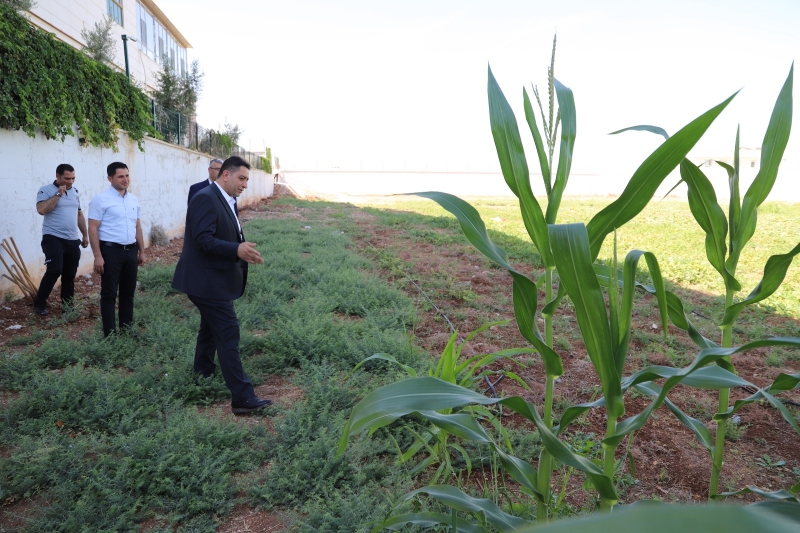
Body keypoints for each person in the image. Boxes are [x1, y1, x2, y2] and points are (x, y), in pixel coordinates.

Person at [172, 156, 270, 414]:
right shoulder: (205, 197)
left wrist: (237, 247)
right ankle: (242, 398)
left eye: (247, 180)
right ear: (225, 174)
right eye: (242, 178)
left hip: (212, 280)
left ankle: (202, 373)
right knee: (228, 332)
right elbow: (203, 240)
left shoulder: (227, 199)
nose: (245, 184)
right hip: (205, 281)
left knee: (209, 328)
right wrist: (236, 249)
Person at [88, 162, 146, 337]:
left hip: (131, 251)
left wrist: (142, 251)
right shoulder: (101, 199)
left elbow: (137, 227)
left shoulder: (133, 199)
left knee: (128, 293)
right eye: (121, 176)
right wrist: (97, 256)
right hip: (111, 252)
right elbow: (92, 228)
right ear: (110, 178)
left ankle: (126, 331)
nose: (125, 179)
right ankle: (110, 335)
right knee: (109, 294)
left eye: (127, 175)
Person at [32, 164, 89, 315]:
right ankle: (39, 305)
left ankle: (67, 306)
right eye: (67, 178)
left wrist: (85, 234)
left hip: (72, 239)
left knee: (69, 274)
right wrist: (58, 194)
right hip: (53, 237)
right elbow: (42, 210)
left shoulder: (75, 191)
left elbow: (79, 214)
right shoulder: (46, 190)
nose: (70, 182)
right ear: (58, 176)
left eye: (73, 178)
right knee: (55, 269)